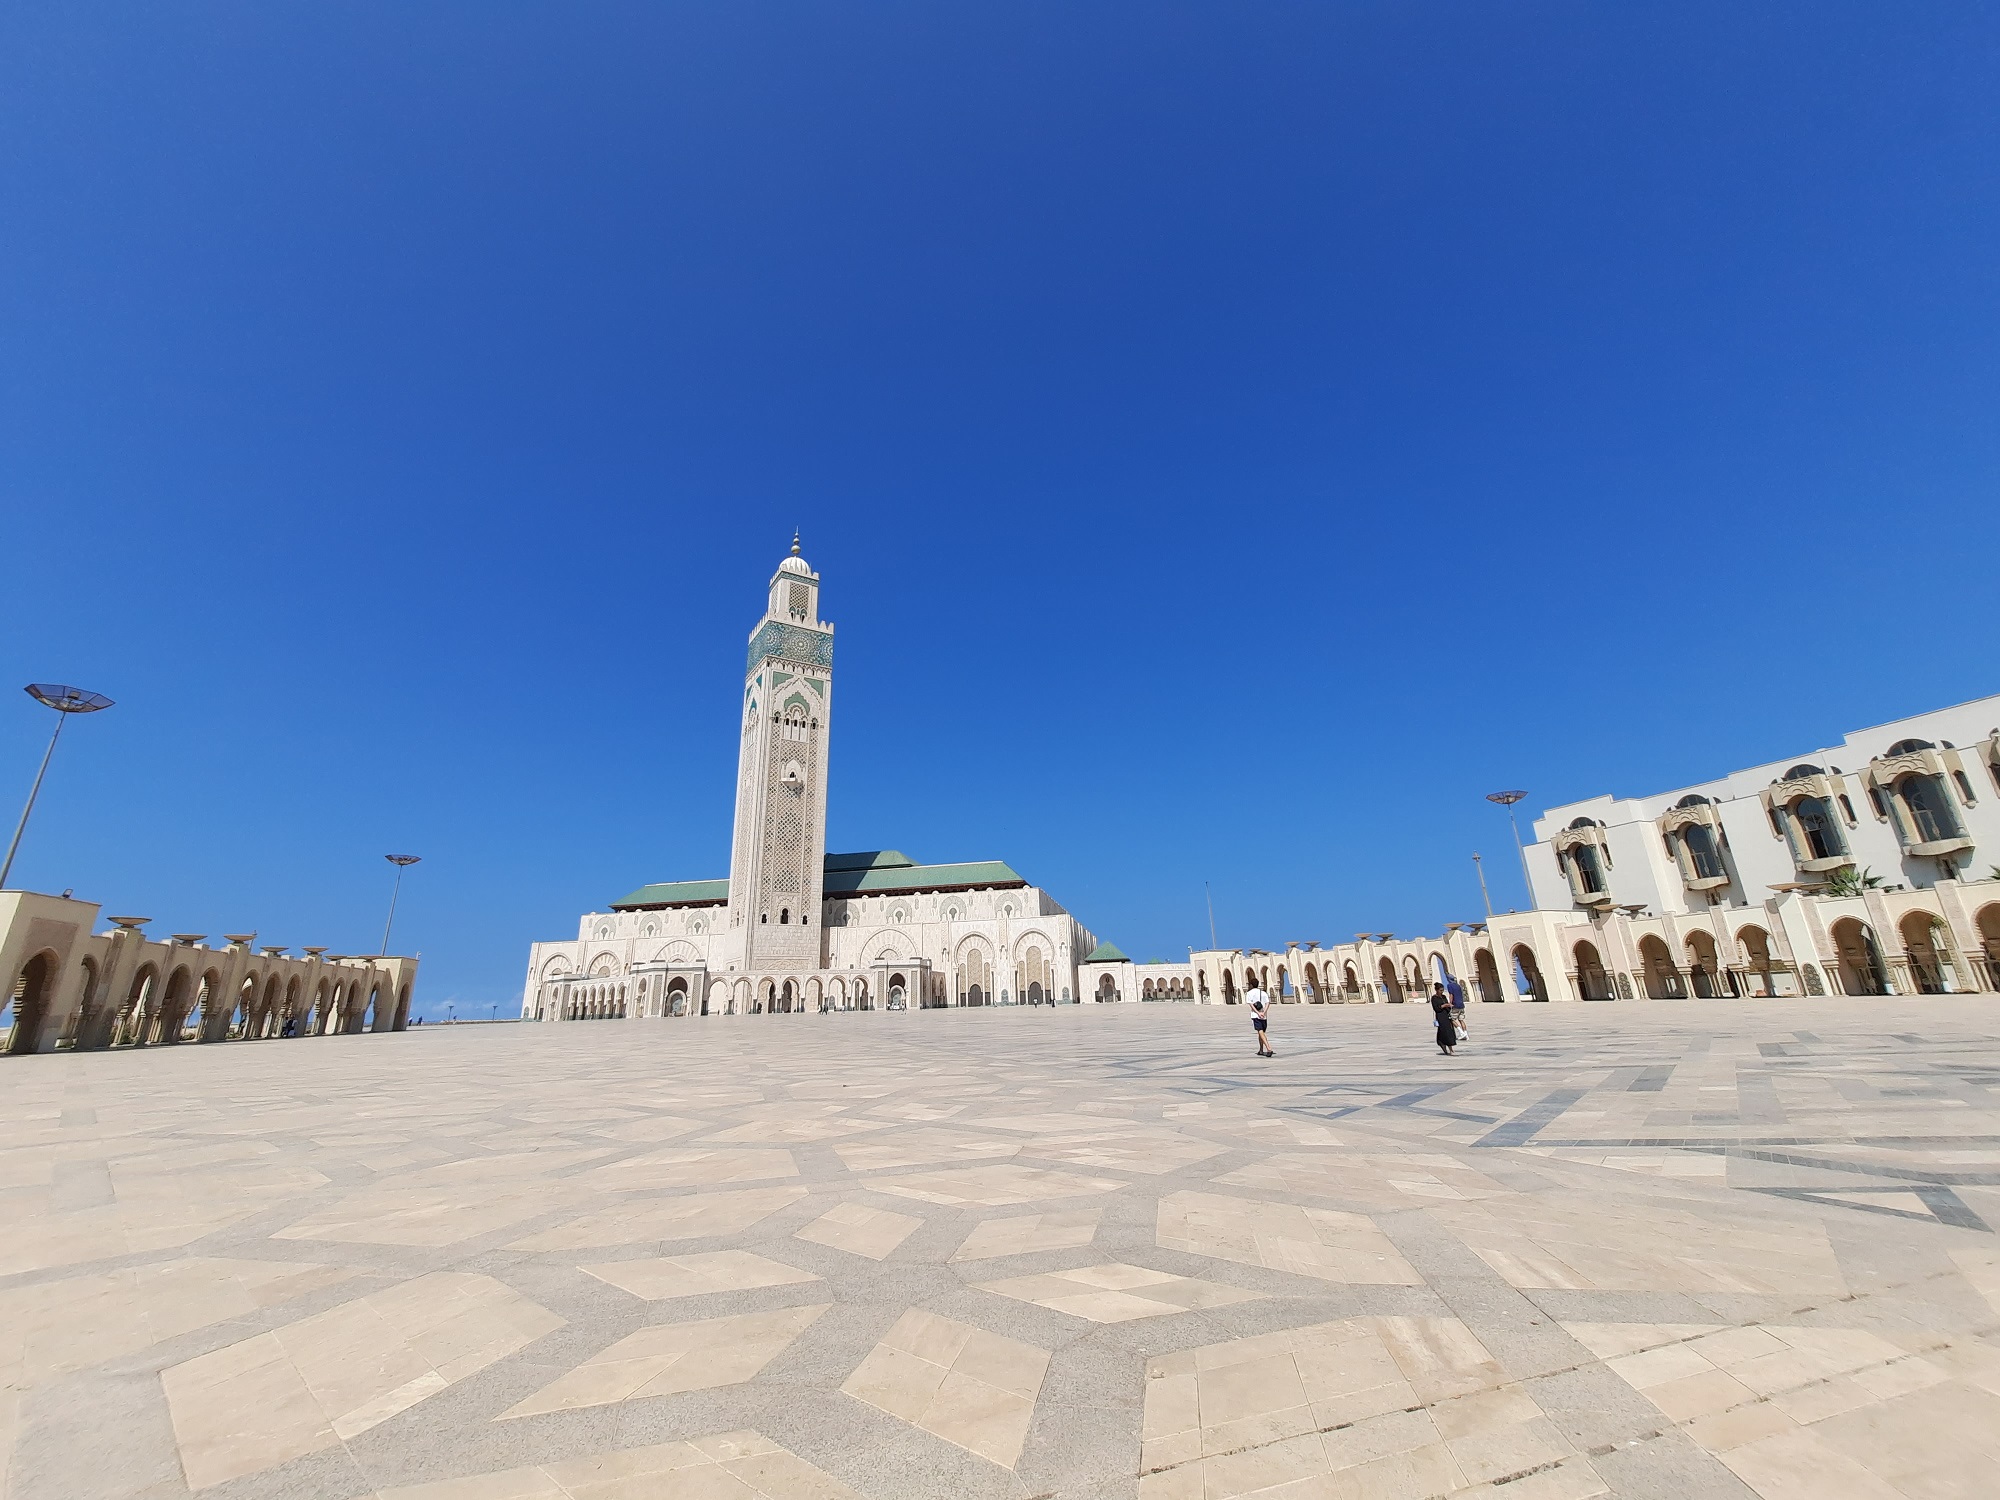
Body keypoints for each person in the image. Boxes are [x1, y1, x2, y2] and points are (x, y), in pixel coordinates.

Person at [1245, 983, 1274, 1057]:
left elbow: (1251, 1005)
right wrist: (1263, 1012)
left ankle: (1268, 1048)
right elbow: (1268, 1003)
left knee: (1260, 1032)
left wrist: (1258, 1013)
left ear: (1251, 985)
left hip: (1255, 1016)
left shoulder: (1249, 993)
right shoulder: (1263, 993)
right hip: (1264, 1016)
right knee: (1261, 1032)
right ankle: (1261, 1050)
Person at [1429, 983, 1457, 1056]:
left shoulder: (1443, 996)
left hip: (1446, 1016)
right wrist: (1444, 1005)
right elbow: (1436, 1008)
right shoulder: (1434, 998)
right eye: (1440, 990)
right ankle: (1444, 1045)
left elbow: (1447, 1004)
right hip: (1440, 1017)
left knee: (1449, 1032)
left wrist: (1449, 1006)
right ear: (1436, 990)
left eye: (1442, 990)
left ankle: (1450, 1048)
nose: (1442, 992)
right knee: (1444, 1032)